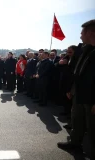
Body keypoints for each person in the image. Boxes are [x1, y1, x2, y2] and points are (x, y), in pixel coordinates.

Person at [57, 19, 95, 160]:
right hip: (79, 93)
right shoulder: (85, 49)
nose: (80, 35)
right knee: (77, 120)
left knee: (92, 128)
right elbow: (78, 73)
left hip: (91, 97)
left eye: (82, 32)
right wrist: (71, 89)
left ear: (91, 32)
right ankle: (74, 143)